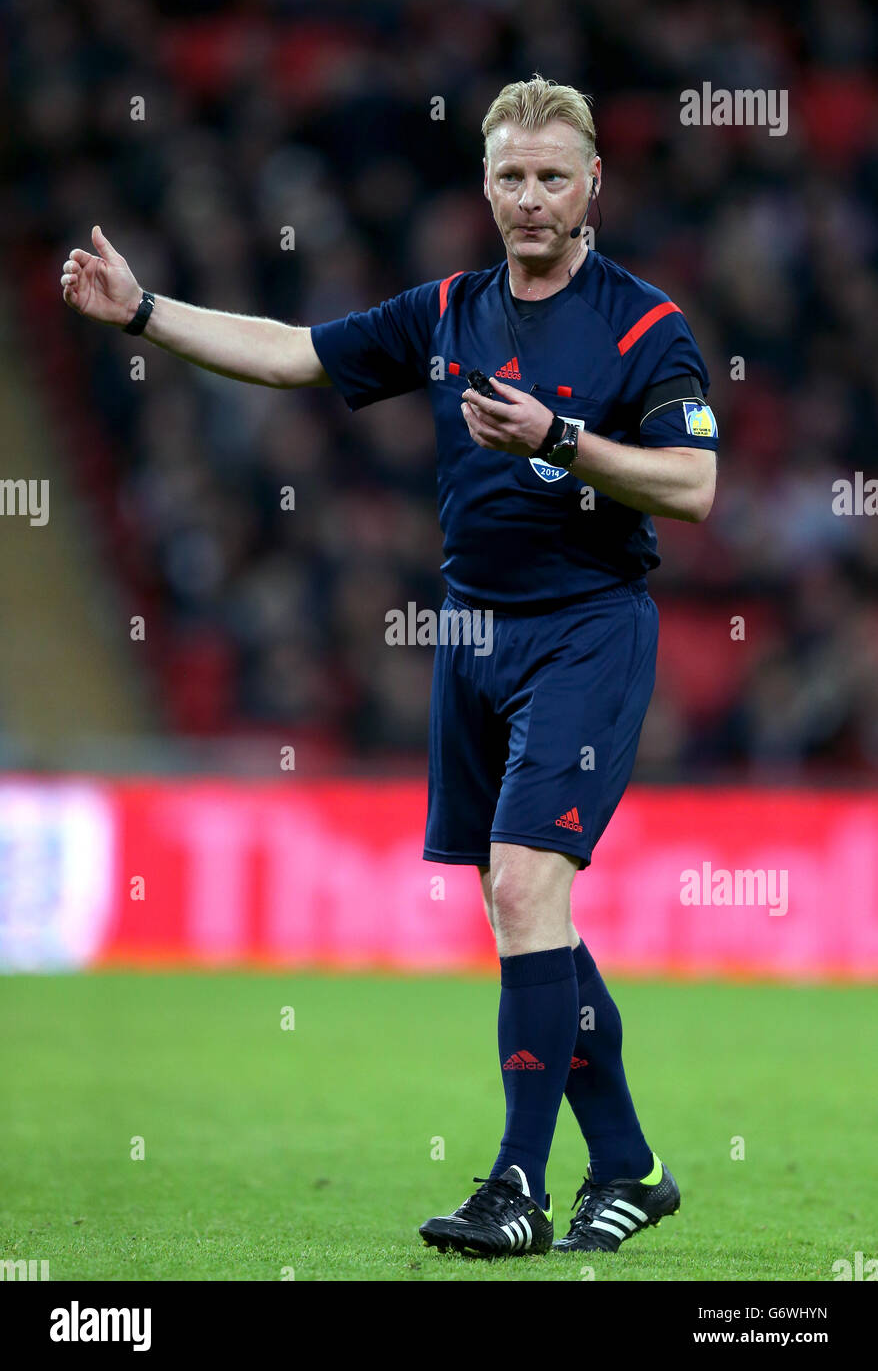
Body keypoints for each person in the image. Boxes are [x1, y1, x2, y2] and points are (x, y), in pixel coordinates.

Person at [61, 73, 717, 1260]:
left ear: (590, 188)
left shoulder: (642, 326)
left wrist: (561, 438)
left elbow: (694, 485)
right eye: (509, 177)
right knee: (529, 921)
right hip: (469, 636)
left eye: (551, 178)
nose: (529, 199)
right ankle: (628, 1166)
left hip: (586, 628)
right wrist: (145, 311)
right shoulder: (448, 310)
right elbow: (293, 354)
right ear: (483, 183)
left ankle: (516, 1184)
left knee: (524, 892)